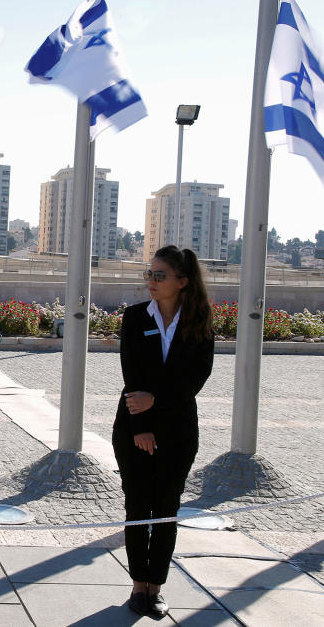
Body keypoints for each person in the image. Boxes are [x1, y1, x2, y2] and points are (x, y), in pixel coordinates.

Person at [112, 245, 214, 618]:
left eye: (160, 275)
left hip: (178, 430)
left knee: (166, 509)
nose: (151, 282)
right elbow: (131, 375)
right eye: (149, 274)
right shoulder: (136, 317)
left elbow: (196, 376)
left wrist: (156, 400)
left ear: (182, 281)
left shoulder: (200, 321)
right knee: (138, 507)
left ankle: (156, 588)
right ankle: (138, 586)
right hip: (134, 426)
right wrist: (142, 424)